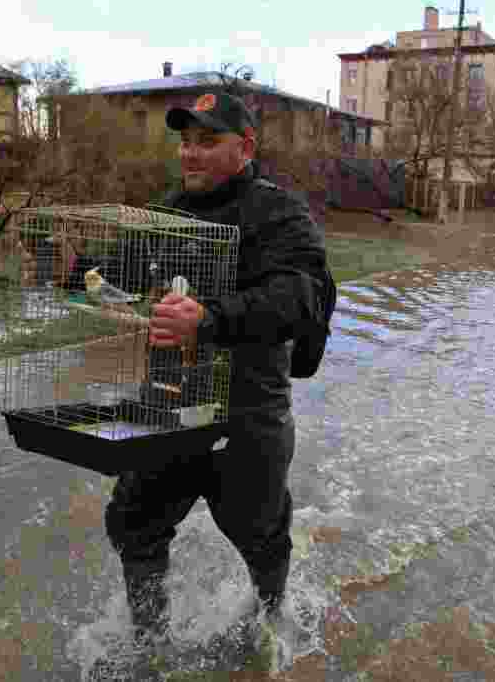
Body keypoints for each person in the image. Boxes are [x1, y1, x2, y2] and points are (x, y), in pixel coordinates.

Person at [103, 91, 328, 646]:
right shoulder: (163, 213)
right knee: (136, 524)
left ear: (245, 147)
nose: (191, 154)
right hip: (167, 402)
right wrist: (73, 269)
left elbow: (301, 297)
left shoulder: (279, 214)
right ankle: (150, 646)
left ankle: (271, 623)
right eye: (185, 142)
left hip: (247, 412)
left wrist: (208, 317)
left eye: (208, 141)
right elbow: (113, 276)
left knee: (262, 533)